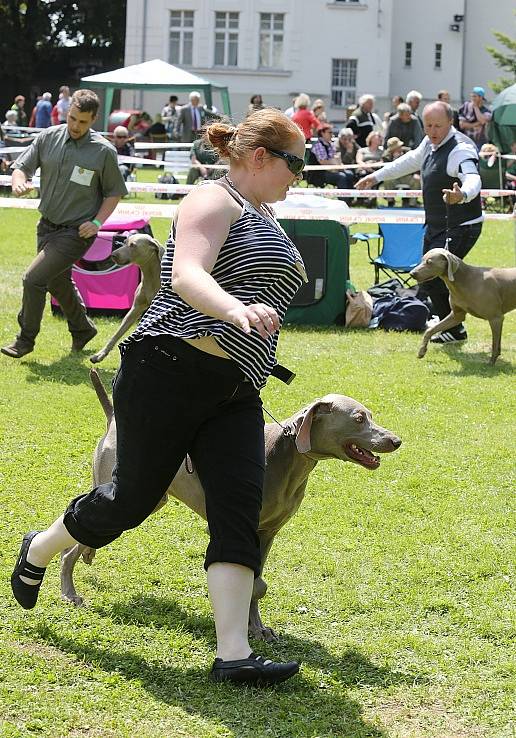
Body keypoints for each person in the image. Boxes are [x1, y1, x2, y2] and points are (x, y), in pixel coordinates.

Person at [10, 107, 307, 687]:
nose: (302, 173)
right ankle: (40, 549)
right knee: (129, 499)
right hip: (169, 369)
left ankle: (233, 654)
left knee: (237, 511)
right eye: (296, 161)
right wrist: (235, 310)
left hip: (237, 387)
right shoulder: (212, 200)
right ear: (260, 156)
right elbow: (186, 274)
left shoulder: (266, 213)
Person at [1, 89, 128, 359]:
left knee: (33, 279)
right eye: (72, 118)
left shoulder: (103, 151)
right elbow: (22, 166)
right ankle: (82, 329)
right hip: (46, 225)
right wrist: (18, 182)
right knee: (58, 283)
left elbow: (113, 192)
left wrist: (96, 222)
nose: (75, 126)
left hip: (76, 232)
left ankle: (24, 340)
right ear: (67, 112)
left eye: (82, 121)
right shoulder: (48, 137)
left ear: (93, 119)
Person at [356, 101, 483, 344]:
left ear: (450, 123)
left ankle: (455, 328)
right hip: (436, 224)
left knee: (433, 276)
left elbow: (473, 178)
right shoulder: (429, 143)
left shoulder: (460, 149)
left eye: (438, 126)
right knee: (429, 275)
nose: (433, 131)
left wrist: (462, 194)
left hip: (461, 225)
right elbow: (410, 160)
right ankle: (451, 324)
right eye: (428, 126)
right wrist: (376, 176)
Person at [309, 123, 354, 190]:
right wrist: (335, 162)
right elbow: (323, 162)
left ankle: (351, 198)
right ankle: (344, 199)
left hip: (332, 170)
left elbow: (336, 159)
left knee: (349, 174)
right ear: (322, 133)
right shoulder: (318, 145)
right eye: (329, 132)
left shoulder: (330, 144)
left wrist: (340, 166)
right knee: (341, 177)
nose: (332, 134)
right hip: (318, 174)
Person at [381, 136, 420, 207]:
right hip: (394, 177)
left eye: (400, 146)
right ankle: (390, 202)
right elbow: (386, 169)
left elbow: (415, 164)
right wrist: (394, 159)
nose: (399, 148)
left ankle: (412, 203)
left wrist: (416, 173)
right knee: (387, 181)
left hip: (407, 175)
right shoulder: (386, 156)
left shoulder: (408, 152)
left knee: (417, 179)